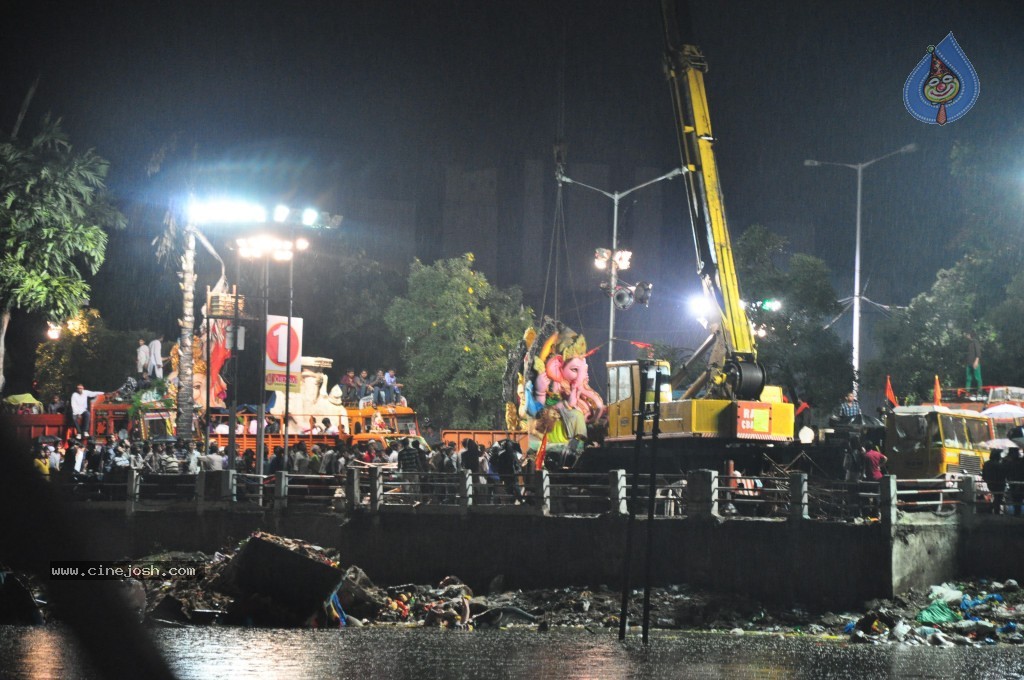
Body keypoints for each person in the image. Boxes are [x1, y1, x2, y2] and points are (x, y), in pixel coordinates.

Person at [965, 331, 983, 398]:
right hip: (969, 363)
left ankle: (980, 393)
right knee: (968, 378)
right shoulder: (969, 343)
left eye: (967, 334)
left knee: (978, 378)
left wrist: (976, 361)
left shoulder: (975, 342)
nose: (966, 336)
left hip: (975, 362)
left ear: (970, 335)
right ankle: (967, 393)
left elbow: (978, 352)